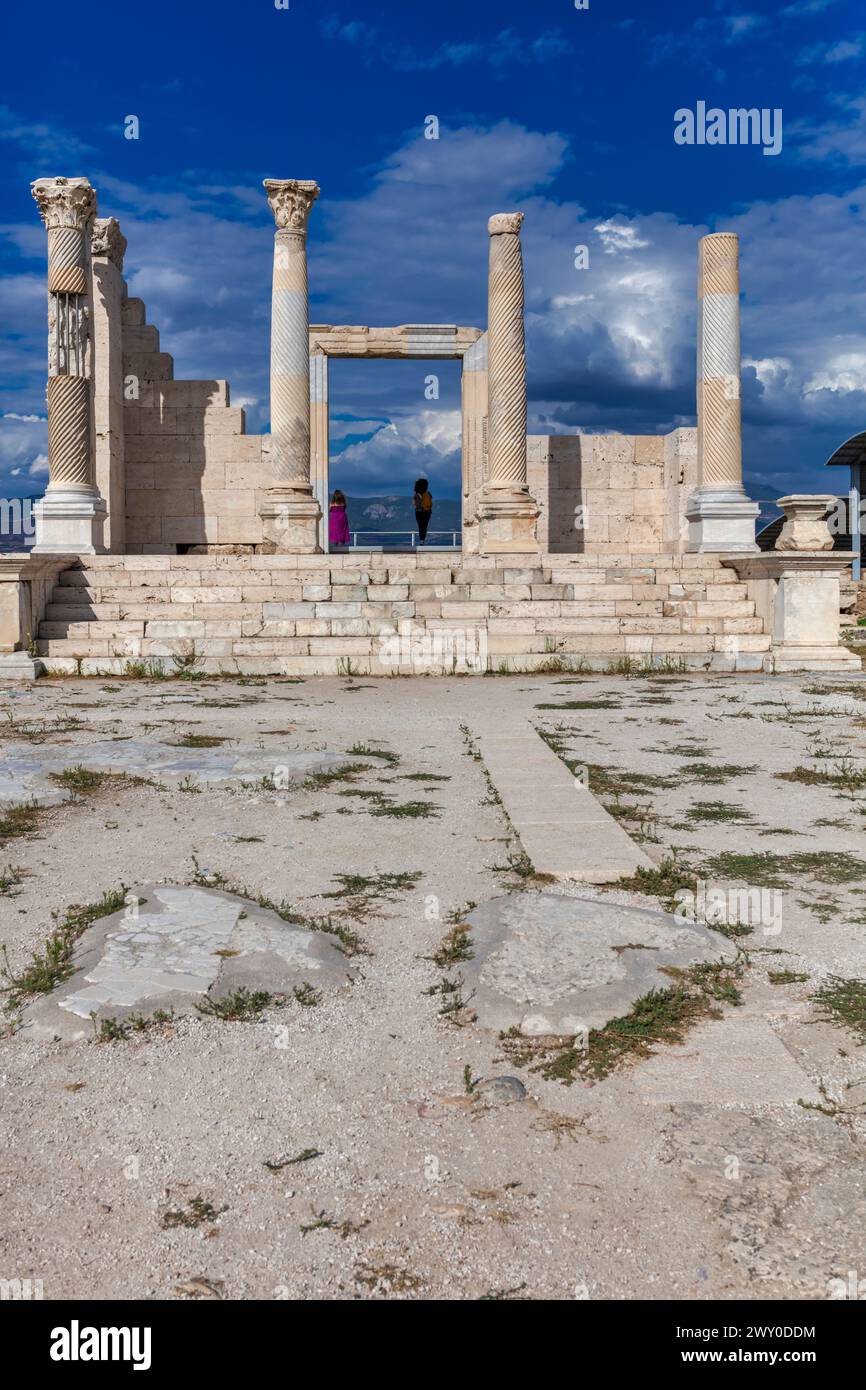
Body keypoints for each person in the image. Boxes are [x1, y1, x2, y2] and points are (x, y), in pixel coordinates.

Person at [413, 477, 433, 545]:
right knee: (424, 526)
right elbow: (430, 504)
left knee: (421, 526)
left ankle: (422, 540)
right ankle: (422, 540)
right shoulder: (428, 494)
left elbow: (415, 504)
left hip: (420, 512)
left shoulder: (417, 494)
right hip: (427, 512)